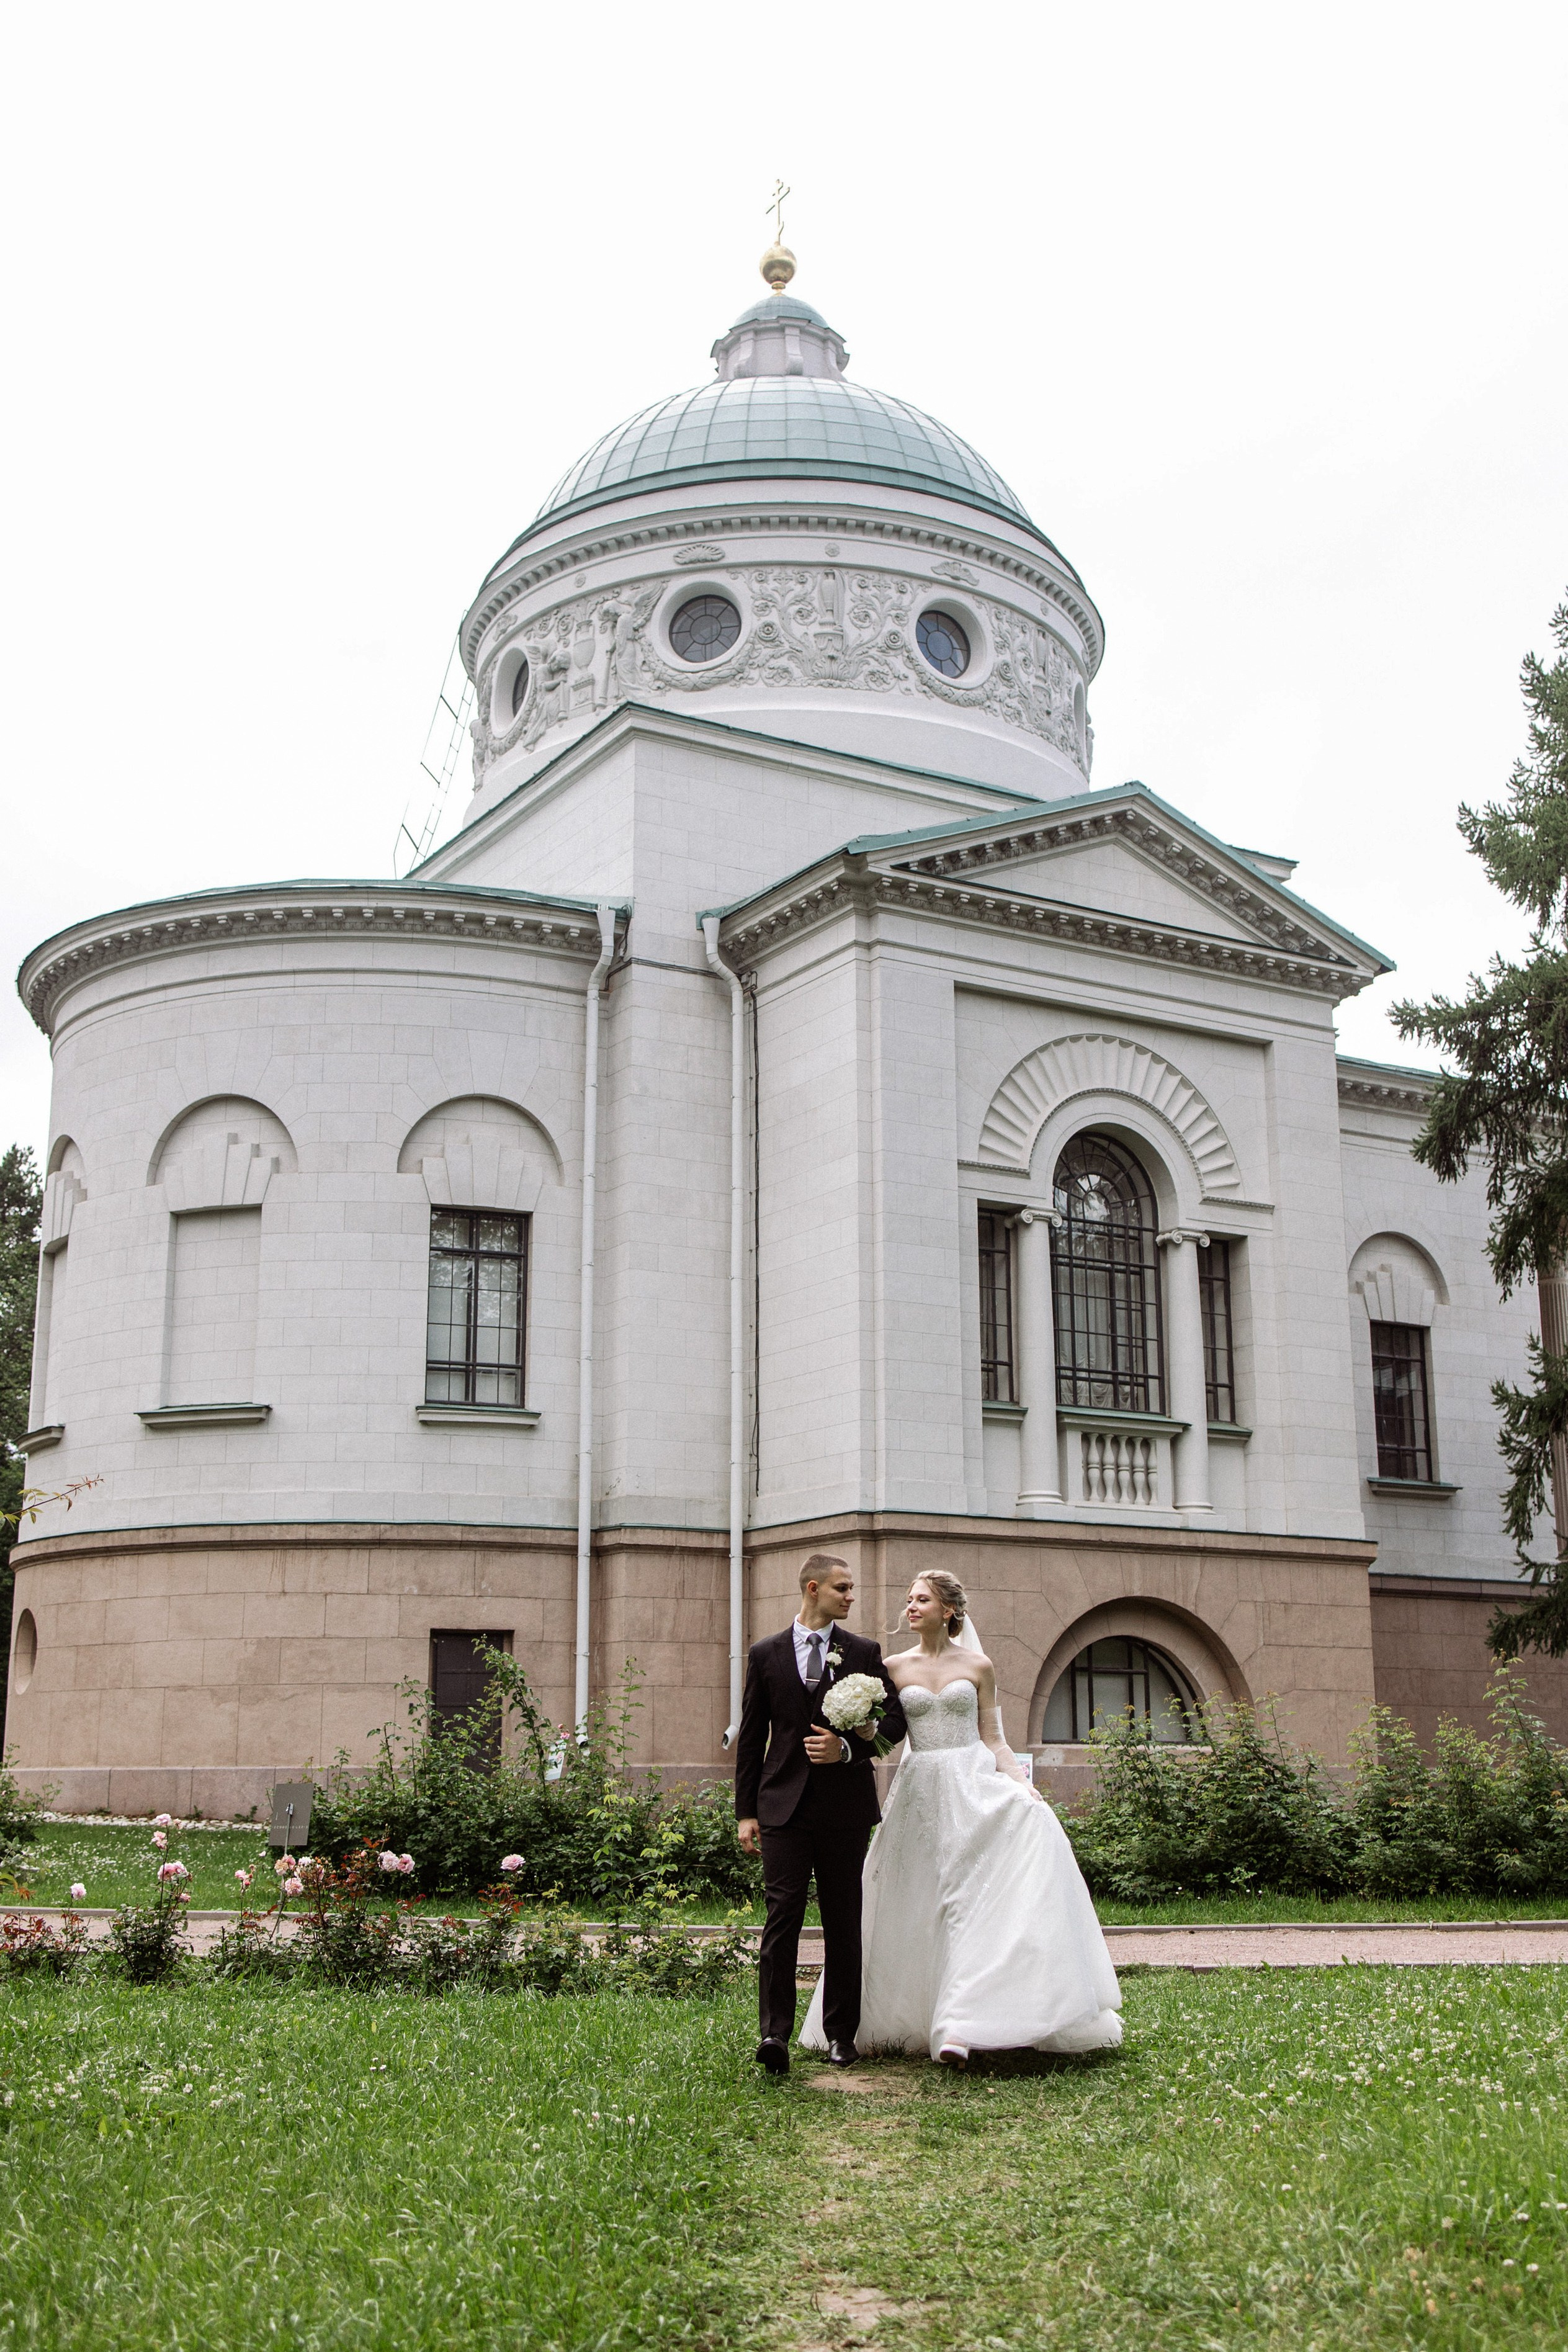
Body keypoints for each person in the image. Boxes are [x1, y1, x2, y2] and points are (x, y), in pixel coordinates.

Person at [799, 1569, 1122, 2067]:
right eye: (909, 1599)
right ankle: (921, 2015)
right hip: (920, 1791)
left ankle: (962, 2024)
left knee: (972, 1901)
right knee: (925, 1902)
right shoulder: (892, 1667)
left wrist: (1021, 1785)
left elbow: (994, 1739)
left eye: (921, 1600)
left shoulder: (978, 1666)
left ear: (947, 1610)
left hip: (972, 1785)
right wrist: (863, 1731)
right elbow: (887, 1738)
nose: (910, 1607)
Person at [734, 1553, 907, 2075]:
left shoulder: (863, 1652)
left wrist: (850, 1747)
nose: (850, 1596)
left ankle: (840, 2035)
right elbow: (752, 1738)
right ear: (813, 1589)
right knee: (781, 1917)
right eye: (842, 1588)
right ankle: (774, 2035)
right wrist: (745, 1812)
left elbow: (894, 1723)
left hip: (844, 1808)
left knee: (842, 1919)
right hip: (782, 1808)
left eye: (850, 1588)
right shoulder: (765, 1653)